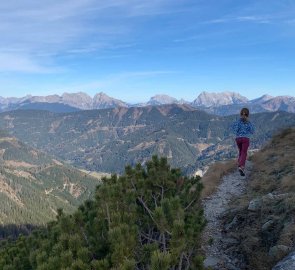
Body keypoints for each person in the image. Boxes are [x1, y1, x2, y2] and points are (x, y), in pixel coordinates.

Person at [231, 108, 255, 176]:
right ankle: (241, 166)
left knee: (241, 152)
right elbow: (252, 131)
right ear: (248, 114)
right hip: (245, 139)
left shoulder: (237, 121)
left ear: (240, 113)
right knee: (244, 153)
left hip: (238, 139)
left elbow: (233, 129)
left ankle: (239, 164)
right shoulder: (249, 122)